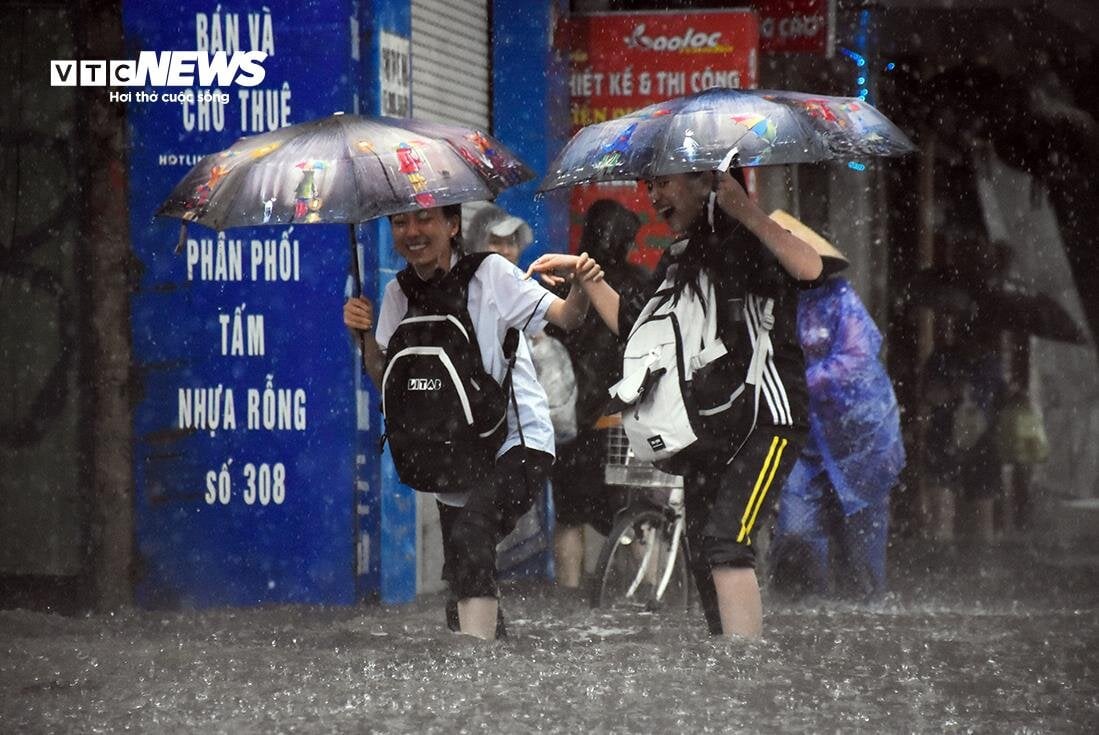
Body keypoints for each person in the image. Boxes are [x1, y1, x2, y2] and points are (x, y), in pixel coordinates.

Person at [527, 169, 823, 639]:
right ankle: (724, 660)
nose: (654, 195)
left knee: (727, 541)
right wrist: (585, 274)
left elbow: (809, 267)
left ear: (705, 180)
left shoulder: (748, 239)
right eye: (649, 185)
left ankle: (746, 666)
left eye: (664, 182)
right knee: (703, 549)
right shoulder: (681, 255)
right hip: (710, 428)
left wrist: (745, 210)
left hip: (766, 421)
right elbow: (634, 323)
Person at [342, 204, 601, 640]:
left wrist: (582, 283)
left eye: (424, 219)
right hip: (455, 451)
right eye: (400, 222)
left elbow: (568, 317)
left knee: (471, 538)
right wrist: (364, 336)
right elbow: (385, 382)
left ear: (453, 225)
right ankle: (494, 663)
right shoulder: (396, 294)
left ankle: (476, 664)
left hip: (519, 441)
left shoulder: (491, 274)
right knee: (462, 577)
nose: (411, 231)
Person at [765, 214, 905, 600]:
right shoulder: (774, 304)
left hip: (860, 437)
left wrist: (803, 381)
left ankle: (860, 614)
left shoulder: (842, 300)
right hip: (805, 436)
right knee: (796, 530)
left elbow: (857, 359)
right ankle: (803, 609)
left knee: (860, 548)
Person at [543, 200, 650, 589]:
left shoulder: (566, 283)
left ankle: (569, 595)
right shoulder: (637, 284)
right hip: (618, 420)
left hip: (570, 419)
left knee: (569, 515)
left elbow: (551, 342)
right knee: (633, 514)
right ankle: (646, 592)